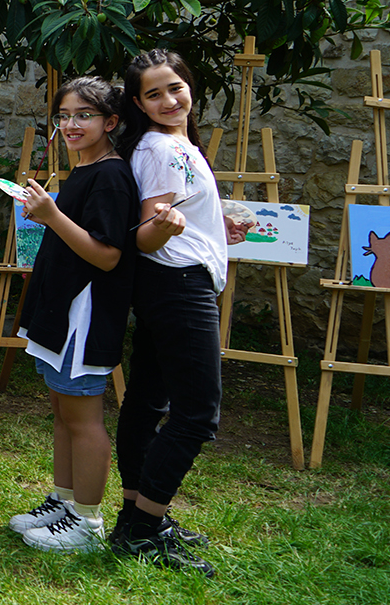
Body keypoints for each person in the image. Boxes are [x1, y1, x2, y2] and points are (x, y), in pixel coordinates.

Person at [109, 50, 250, 577]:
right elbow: (145, 236)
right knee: (197, 414)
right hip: (176, 285)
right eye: (154, 94)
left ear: (189, 86)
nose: (169, 100)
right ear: (139, 103)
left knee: (147, 399)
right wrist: (164, 230)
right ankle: (145, 528)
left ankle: (134, 517)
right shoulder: (161, 149)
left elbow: (173, 217)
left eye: (176, 88)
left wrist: (213, 225)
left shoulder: (175, 145)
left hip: (176, 279)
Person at [6, 79, 137, 552]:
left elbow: (106, 256)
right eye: (64, 116)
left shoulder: (112, 175)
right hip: (60, 312)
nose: (71, 124)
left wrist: (50, 215)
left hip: (86, 315)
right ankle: (64, 502)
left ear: (111, 122)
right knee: (62, 411)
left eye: (84, 115)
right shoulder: (83, 171)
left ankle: (88, 522)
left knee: (83, 418)